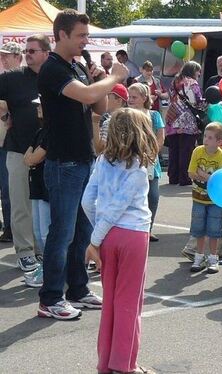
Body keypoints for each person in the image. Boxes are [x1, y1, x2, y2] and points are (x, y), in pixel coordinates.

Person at [37, 9, 129, 320]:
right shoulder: (52, 69)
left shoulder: (75, 66)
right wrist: (115, 77)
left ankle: (77, 289)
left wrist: (101, 79)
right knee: (61, 233)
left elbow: (98, 105)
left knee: (83, 232)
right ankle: (50, 298)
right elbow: (87, 95)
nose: (85, 41)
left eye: (86, 35)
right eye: (80, 35)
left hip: (83, 159)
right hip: (63, 163)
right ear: (61, 35)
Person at [82, 108, 159, 374]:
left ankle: (106, 363)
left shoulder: (102, 160)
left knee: (111, 303)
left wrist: (98, 236)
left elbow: (87, 202)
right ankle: (125, 365)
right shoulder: (139, 167)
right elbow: (119, 206)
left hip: (108, 237)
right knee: (129, 302)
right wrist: (96, 238)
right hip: (133, 235)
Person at [0, 34, 50, 271]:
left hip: (50, 151)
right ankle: (25, 252)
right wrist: (4, 115)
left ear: (46, 53)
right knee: (21, 203)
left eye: (33, 50)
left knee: (43, 205)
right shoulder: (13, 77)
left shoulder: (55, 75)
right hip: (19, 149)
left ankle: (41, 249)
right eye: (26, 50)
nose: (27, 54)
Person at [187, 122, 222, 274]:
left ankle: (213, 258)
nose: (205, 140)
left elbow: (219, 180)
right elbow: (191, 172)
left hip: (215, 200)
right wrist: (209, 178)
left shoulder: (221, 157)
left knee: (214, 230)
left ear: (219, 141)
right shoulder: (198, 151)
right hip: (198, 197)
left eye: (210, 138)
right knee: (198, 229)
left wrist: (203, 174)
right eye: (205, 136)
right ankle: (199, 257)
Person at [127, 83, 165, 242]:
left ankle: (147, 230)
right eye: (129, 97)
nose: (130, 100)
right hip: (131, 161)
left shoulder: (154, 115)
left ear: (144, 98)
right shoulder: (126, 115)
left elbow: (160, 137)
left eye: (134, 97)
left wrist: (151, 154)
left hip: (150, 162)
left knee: (152, 197)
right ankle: (132, 229)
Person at [165, 61, 205, 186]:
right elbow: (197, 102)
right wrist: (208, 103)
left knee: (174, 150)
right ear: (193, 70)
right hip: (187, 121)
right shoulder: (192, 83)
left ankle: (173, 177)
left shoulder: (175, 81)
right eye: (198, 70)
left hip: (172, 119)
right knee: (186, 151)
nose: (199, 73)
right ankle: (184, 179)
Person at [0, 41, 24, 243]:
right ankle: (9, 228)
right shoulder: (5, 81)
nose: (3, 59)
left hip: (15, 144)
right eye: (2, 55)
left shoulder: (22, 81)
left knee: (12, 192)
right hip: (7, 142)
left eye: (6, 55)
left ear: (18, 57)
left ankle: (11, 229)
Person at [23, 113, 48, 288]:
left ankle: (50, 270)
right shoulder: (40, 131)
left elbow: (35, 157)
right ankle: (46, 266)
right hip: (37, 187)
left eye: (40, 105)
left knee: (46, 233)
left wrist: (32, 159)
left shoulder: (52, 132)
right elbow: (27, 157)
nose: (39, 108)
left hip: (47, 188)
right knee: (38, 232)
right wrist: (32, 159)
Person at [94, 83, 127, 154]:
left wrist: (94, 122)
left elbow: (100, 150)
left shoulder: (110, 122)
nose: (103, 100)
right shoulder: (132, 119)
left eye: (107, 97)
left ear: (119, 100)